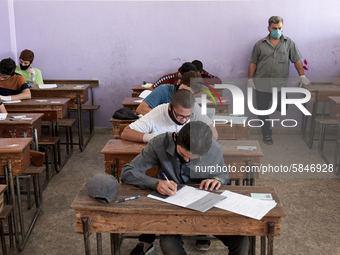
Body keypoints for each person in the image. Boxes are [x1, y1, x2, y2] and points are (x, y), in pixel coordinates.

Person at [121, 121, 249, 255]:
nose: (187, 161)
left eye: (193, 158)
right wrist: (156, 183)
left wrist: (217, 180)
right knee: (168, 244)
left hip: (206, 209)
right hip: (173, 210)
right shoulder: (158, 143)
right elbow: (127, 172)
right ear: (176, 138)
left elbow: (223, 175)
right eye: (183, 155)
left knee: (241, 242)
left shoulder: (214, 148)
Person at [247, 16, 310, 145]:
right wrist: (249, 79)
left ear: (282, 27)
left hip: (279, 85)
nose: (277, 30)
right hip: (261, 85)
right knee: (262, 112)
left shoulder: (289, 43)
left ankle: (275, 107)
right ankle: (266, 134)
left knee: (283, 106)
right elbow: (253, 62)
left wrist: (302, 76)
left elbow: (297, 60)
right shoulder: (260, 44)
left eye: (279, 28)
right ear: (269, 28)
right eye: (274, 28)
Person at [121, 89, 218, 142]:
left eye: (188, 116)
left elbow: (214, 135)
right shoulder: (158, 113)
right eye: (180, 116)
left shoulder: (195, 110)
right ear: (170, 107)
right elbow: (126, 133)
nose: (184, 120)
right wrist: (149, 137)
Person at [136, 70, 202, 115]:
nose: (183, 94)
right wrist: (165, 115)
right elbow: (140, 109)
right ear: (179, 82)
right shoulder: (163, 90)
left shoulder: (191, 99)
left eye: (188, 93)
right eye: (182, 89)